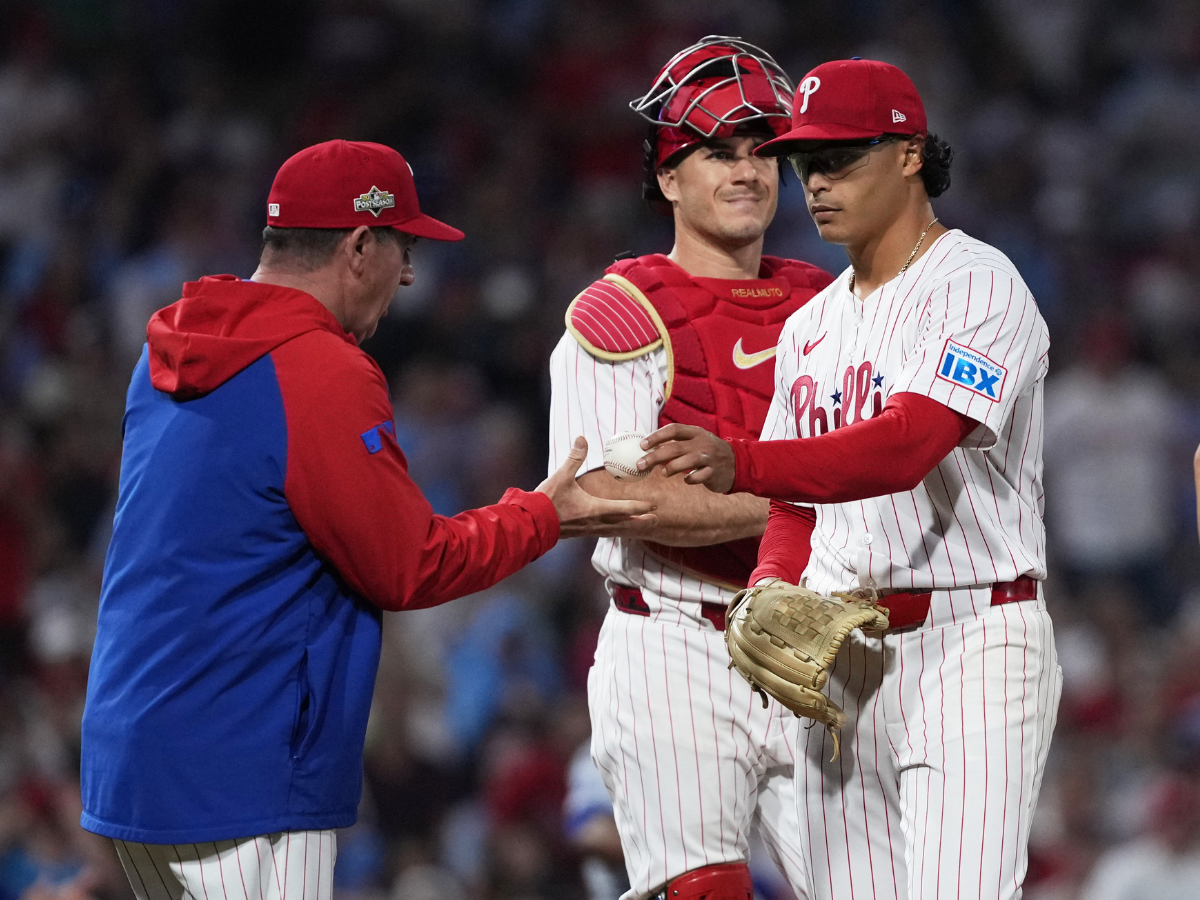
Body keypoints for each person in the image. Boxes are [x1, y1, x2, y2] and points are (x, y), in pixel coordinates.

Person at [78, 140, 652, 900]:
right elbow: (410, 564)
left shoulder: (170, 346)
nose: (409, 274)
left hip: (131, 755)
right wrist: (547, 513)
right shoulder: (319, 367)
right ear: (357, 246)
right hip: (243, 767)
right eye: (402, 248)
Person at [639, 59, 1062, 900]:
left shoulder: (977, 284)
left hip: (970, 641)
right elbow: (796, 506)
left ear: (909, 155)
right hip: (840, 658)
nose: (816, 183)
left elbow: (907, 446)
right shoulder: (812, 327)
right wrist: (767, 585)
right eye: (805, 164)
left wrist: (740, 460)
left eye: (838, 159)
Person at [546, 36, 833, 900]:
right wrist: (800, 502)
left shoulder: (832, 306)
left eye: (762, 152)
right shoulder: (620, 311)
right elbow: (600, 500)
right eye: (717, 153)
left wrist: (742, 490)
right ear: (668, 177)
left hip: (813, 637)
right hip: (675, 638)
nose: (746, 171)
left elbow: (890, 480)